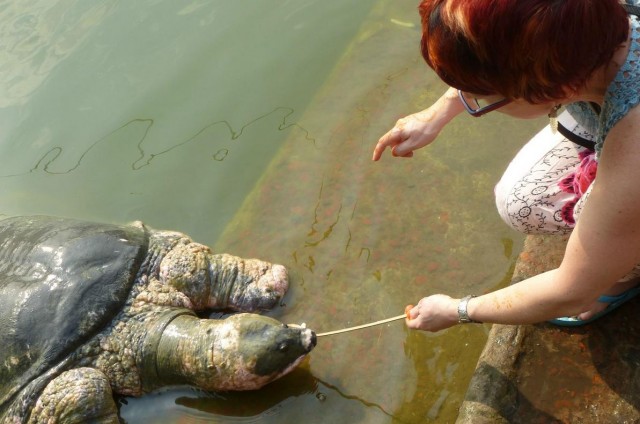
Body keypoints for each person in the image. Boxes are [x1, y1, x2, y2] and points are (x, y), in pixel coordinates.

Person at [372, 0, 640, 331]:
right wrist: (436, 115)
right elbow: (512, 42)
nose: (473, 100)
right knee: (520, 202)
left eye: (481, 99)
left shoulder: (634, 149)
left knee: (597, 255)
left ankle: (625, 271)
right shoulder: (592, 25)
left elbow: (569, 291)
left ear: (559, 89)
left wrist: (458, 310)